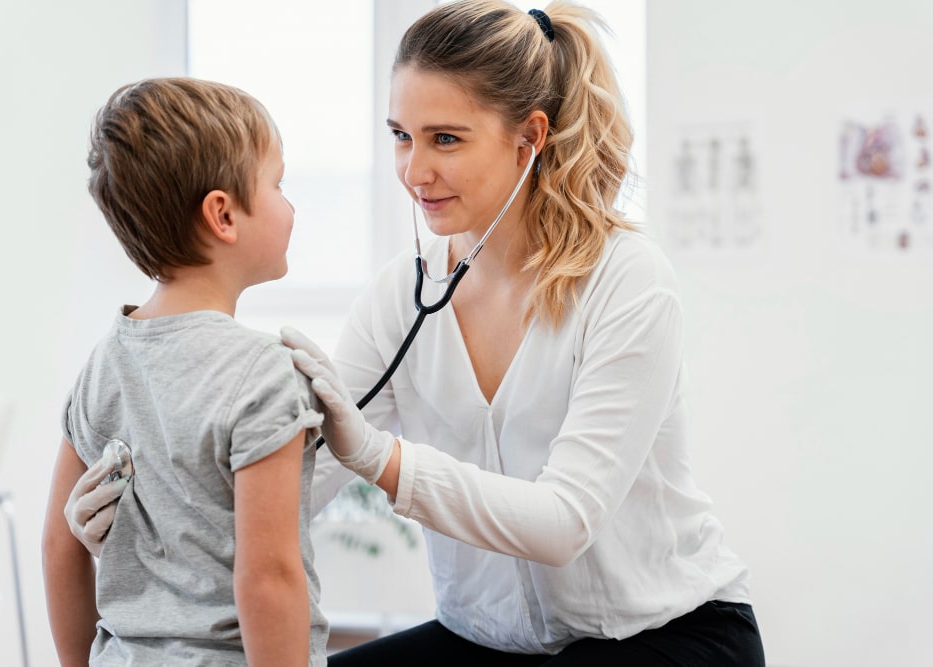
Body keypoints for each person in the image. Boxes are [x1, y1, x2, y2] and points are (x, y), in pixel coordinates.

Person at [66, 2, 766, 664]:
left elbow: (563, 522)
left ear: (530, 137)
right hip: (486, 641)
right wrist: (136, 514)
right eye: (401, 136)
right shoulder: (402, 294)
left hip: (663, 636)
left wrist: (382, 456)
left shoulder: (627, 280)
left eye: (446, 140)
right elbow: (291, 494)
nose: (413, 171)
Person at [41, 77, 326, 667]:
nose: (290, 204)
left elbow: (59, 546)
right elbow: (269, 578)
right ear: (222, 214)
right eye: (277, 183)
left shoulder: (104, 361)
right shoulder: (264, 374)